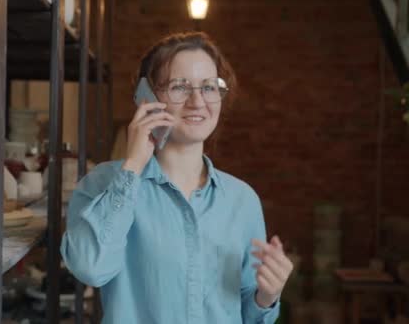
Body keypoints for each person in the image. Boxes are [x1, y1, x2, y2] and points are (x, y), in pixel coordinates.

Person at [60, 32, 293, 323]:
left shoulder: (242, 200)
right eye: (179, 87)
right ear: (146, 96)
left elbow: (248, 313)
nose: (198, 101)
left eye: (209, 87)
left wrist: (267, 297)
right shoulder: (103, 183)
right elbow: (90, 268)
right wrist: (133, 164)